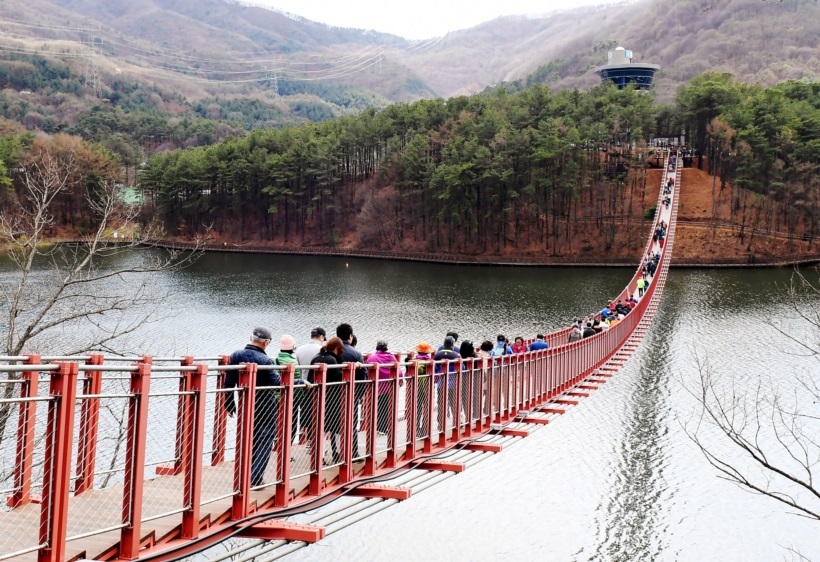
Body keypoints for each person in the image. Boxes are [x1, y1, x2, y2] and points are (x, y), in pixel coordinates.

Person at [224, 326, 280, 487]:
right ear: (266, 343)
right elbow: (277, 382)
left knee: (251, 438)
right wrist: (299, 382)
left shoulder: (236, 355)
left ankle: (245, 476)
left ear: (251, 339)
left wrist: (229, 402)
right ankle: (255, 478)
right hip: (266, 405)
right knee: (266, 439)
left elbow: (229, 381)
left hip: (246, 405)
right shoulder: (265, 361)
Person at [310, 337, 346, 464]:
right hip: (333, 399)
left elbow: (310, 377)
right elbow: (339, 377)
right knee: (336, 428)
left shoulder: (316, 358)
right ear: (337, 349)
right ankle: (337, 454)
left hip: (317, 398)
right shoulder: (332, 360)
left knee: (322, 429)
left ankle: (320, 457)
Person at [278, 335, 312, 455]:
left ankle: (278, 449)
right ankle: (286, 453)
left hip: (277, 398)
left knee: (278, 425)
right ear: (293, 347)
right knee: (291, 426)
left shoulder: (275, 359)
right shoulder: (293, 362)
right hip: (292, 399)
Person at [336, 323, 367, 457]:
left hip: (332, 392)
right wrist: (360, 395)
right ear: (350, 336)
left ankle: (336, 453)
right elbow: (363, 376)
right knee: (351, 423)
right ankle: (352, 452)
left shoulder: (332, 351)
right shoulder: (355, 354)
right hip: (350, 394)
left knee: (334, 423)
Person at [366, 341, 403, 435]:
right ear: (386, 348)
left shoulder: (372, 357)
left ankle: (378, 427)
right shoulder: (391, 357)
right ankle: (383, 428)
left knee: (377, 407)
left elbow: (366, 369)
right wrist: (400, 381)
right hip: (390, 387)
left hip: (377, 387)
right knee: (387, 407)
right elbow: (398, 370)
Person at [434, 336, 462, 425]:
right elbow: (463, 368)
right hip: (453, 384)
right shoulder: (456, 355)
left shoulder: (437, 355)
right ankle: (456, 421)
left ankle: (440, 422)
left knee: (441, 403)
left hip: (440, 383)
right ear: (453, 344)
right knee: (454, 403)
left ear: (444, 344)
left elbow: (434, 368)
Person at [413, 341, 433, 438]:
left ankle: (415, 429)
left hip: (415, 388)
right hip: (426, 387)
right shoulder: (430, 361)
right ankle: (424, 429)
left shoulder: (413, 360)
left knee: (417, 408)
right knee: (427, 408)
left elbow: (407, 374)